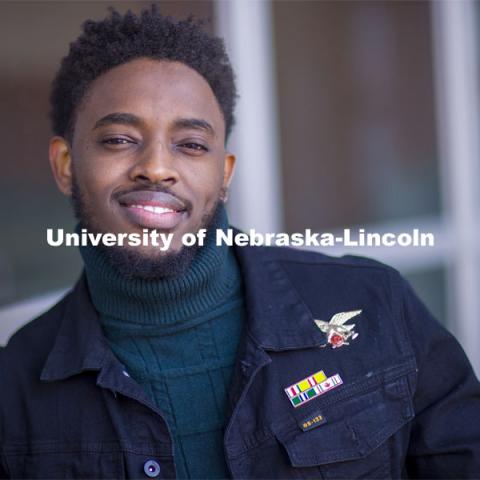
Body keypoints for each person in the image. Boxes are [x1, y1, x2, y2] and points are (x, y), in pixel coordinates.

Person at [0, 6, 479, 480]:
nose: (158, 167)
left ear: (223, 174)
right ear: (65, 164)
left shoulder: (376, 306)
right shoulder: (15, 390)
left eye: (191, 144)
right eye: (121, 139)